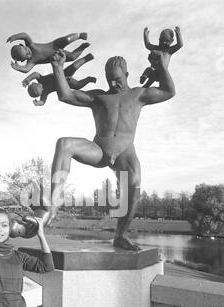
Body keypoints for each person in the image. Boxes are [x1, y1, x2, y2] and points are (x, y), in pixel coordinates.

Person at [47, 49, 176, 251]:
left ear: (126, 75)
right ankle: (53, 203)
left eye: (117, 79)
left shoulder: (139, 94)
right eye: (109, 80)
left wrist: (161, 67)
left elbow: (169, 91)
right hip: (99, 149)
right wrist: (58, 68)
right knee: (64, 143)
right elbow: (66, 95)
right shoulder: (99, 97)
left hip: (125, 153)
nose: (113, 83)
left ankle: (120, 235)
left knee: (134, 184)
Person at [22, 53, 96, 106]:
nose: (40, 93)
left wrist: (27, 80)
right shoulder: (45, 92)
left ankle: (86, 58)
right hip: (66, 83)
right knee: (77, 85)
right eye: (37, 94)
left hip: (61, 73)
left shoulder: (41, 80)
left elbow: (35, 74)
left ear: (36, 85)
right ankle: (89, 79)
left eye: (36, 92)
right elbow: (43, 101)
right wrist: (39, 103)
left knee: (74, 67)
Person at [7, 31, 90, 74]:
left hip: (55, 44)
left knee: (66, 39)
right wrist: (18, 68)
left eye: (25, 50)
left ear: (23, 45)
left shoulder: (31, 45)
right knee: (72, 57)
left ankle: (79, 35)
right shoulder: (32, 61)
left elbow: (25, 35)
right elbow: (26, 69)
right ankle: (82, 47)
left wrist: (15, 37)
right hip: (57, 56)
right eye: (26, 55)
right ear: (23, 60)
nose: (28, 53)